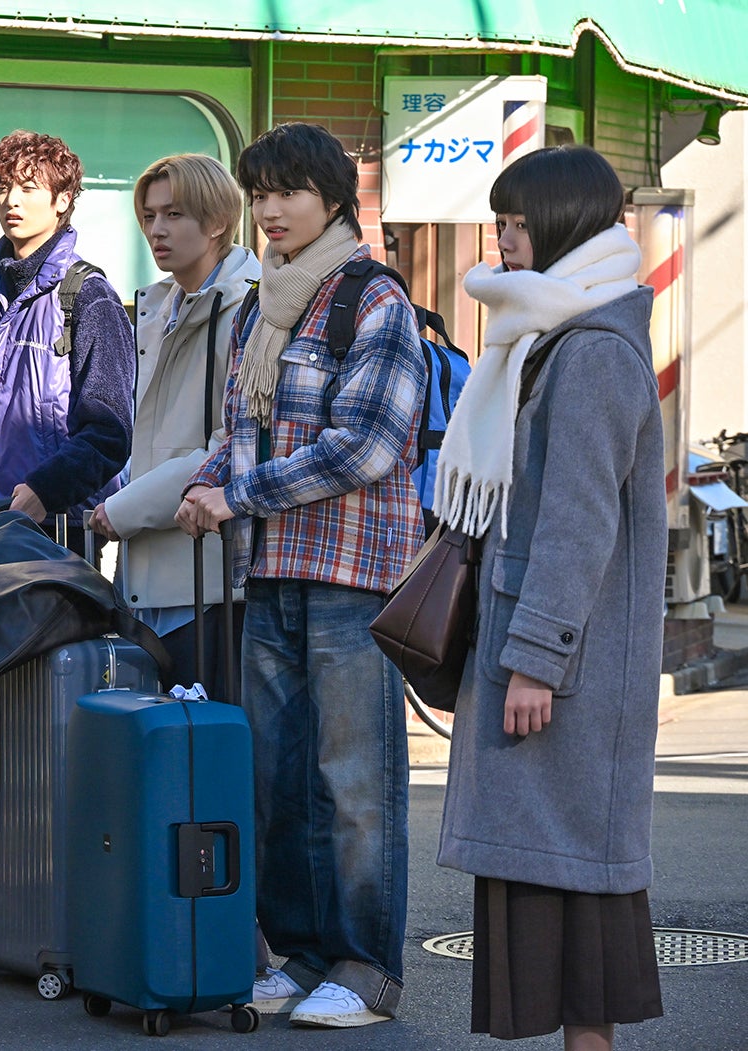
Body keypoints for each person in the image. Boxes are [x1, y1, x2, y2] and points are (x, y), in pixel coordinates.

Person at [175, 122, 426, 1028]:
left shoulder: (374, 300)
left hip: (353, 574)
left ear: (333, 199)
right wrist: (208, 481)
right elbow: (239, 430)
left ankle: (368, 968)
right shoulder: (262, 308)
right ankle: (303, 953)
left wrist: (237, 494)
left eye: (288, 192)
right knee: (278, 780)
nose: (270, 210)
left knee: (354, 783)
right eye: (261, 194)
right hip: (272, 571)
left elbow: (365, 446)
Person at [435, 146, 665, 1050]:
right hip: (552, 659)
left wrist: (534, 659)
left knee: (575, 887)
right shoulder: (551, 335)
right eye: (501, 221)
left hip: (566, 671)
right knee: (556, 879)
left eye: (519, 224)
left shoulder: (593, 349)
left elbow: (578, 522)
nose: (503, 240)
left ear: (563, 225)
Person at [0, 130, 135, 571]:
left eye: (28, 187)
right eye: (2, 187)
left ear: (63, 199)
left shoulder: (88, 295)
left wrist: (45, 490)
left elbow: (110, 432)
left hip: (55, 534)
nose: (11, 201)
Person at [87, 153, 259, 699]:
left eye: (174, 214)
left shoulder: (251, 306)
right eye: (149, 216)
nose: (156, 230)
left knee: (205, 737)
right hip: (148, 576)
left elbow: (231, 443)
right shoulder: (157, 306)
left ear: (218, 222)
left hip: (214, 578)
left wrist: (123, 510)